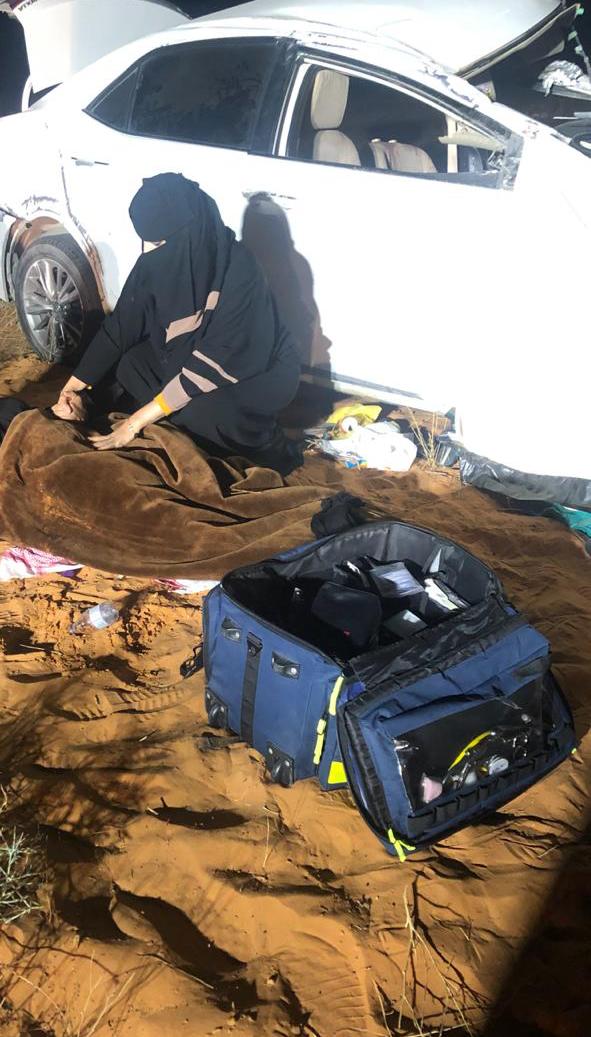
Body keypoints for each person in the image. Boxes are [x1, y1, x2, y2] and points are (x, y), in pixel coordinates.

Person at [53, 173, 302, 474]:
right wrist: (71, 389)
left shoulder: (241, 270)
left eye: (159, 242)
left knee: (206, 414)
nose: (148, 253)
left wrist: (133, 425)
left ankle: (262, 439)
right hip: (192, 354)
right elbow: (119, 329)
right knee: (129, 365)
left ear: (189, 233)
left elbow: (220, 359)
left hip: (251, 369)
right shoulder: (162, 258)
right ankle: (166, 411)